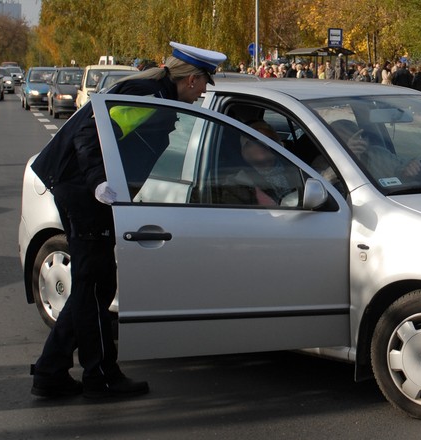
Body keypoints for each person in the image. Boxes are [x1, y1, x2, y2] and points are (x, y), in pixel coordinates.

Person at [28, 41, 227, 399]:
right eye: (203, 85)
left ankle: (52, 370)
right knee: (96, 285)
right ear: (193, 80)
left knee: (94, 284)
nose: (202, 95)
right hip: (82, 190)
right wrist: (97, 183)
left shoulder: (157, 94)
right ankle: (100, 375)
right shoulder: (145, 94)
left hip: (85, 189)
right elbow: (91, 134)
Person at [222, 120, 302, 206]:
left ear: (279, 145)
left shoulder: (297, 170)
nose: (260, 145)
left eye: (268, 140)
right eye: (251, 142)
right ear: (243, 152)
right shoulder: (235, 184)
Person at [330, 119, 421, 178]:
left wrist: (410, 168)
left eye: (358, 136)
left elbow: (402, 166)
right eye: (346, 140)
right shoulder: (326, 161)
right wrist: (346, 157)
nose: (356, 143)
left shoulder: (378, 153)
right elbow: (325, 180)